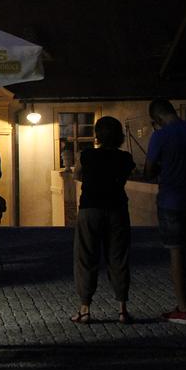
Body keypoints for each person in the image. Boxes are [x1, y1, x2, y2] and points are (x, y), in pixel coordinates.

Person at [71, 116, 135, 325]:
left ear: (97, 135)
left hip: (90, 209)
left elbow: (77, 176)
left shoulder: (86, 155)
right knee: (119, 258)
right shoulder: (125, 158)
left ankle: (85, 309)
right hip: (117, 209)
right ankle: (122, 310)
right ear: (119, 136)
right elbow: (124, 178)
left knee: (86, 257)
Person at [145, 99, 186, 325]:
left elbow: (148, 171)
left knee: (177, 254)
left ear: (156, 119)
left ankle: (183, 309)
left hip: (172, 202)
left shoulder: (160, 136)